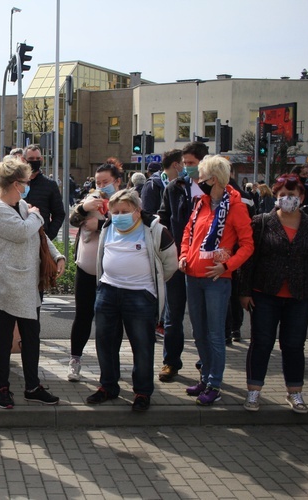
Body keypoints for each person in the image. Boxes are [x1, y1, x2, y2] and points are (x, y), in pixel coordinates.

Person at [0, 156, 65, 410]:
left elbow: (37, 234)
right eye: (26, 182)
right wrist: (36, 216)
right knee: (4, 338)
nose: (28, 186)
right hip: (5, 283)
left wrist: (56, 255)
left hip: (27, 282)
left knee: (31, 337)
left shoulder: (20, 204)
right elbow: (22, 231)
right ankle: (2, 387)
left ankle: (32, 386)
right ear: (15, 183)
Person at [240, 173, 308, 413]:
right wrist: (243, 292)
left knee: (294, 344)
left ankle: (295, 393)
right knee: (261, 343)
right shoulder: (261, 221)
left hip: (300, 295)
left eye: (293, 194)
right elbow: (249, 260)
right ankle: (254, 391)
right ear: (275, 197)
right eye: (283, 194)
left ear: (301, 196)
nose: (288, 198)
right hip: (265, 292)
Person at [85, 189, 177, 411]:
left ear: (137, 211)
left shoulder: (156, 231)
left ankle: (142, 392)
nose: (118, 215)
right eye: (115, 211)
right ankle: (108, 386)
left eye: (124, 211)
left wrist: (147, 286)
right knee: (105, 343)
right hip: (107, 291)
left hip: (140, 295)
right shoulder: (108, 227)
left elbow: (170, 264)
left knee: (142, 346)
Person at [180, 155, 253, 405]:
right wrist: (182, 256)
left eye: (203, 177)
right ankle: (205, 376)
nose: (199, 181)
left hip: (217, 280)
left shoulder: (236, 206)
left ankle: (214, 383)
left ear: (215, 179)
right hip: (193, 276)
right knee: (199, 332)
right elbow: (188, 233)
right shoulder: (200, 204)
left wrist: (226, 266)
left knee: (214, 334)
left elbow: (247, 245)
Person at [156, 141, 209, 382]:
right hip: (178, 261)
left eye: (192, 164)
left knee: (203, 317)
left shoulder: (217, 187)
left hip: (205, 263)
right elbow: (164, 219)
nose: (186, 168)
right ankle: (171, 362)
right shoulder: (174, 187)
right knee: (173, 316)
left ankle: (205, 363)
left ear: (204, 163)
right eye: (185, 164)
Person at [66, 193, 104, 382]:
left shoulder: (118, 207)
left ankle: (108, 367)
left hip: (108, 275)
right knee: (82, 316)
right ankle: (75, 360)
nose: (100, 187)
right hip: (84, 271)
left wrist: (101, 225)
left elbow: (127, 227)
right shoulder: (85, 207)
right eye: (98, 182)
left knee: (108, 321)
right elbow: (73, 219)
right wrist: (84, 207)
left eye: (105, 182)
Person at [23, 145, 66, 239]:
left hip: (41, 237)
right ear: (24, 160)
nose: (35, 161)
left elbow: (59, 213)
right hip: (20, 236)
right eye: (31, 158)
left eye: (37, 158)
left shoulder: (50, 185)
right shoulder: (16, 183)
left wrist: (48, 236)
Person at [141, 151, 182, 215]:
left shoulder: (181, 184)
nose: (186, 167)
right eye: (184, 163)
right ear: (175, 165)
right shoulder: (152, 185)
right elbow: (147, 214)